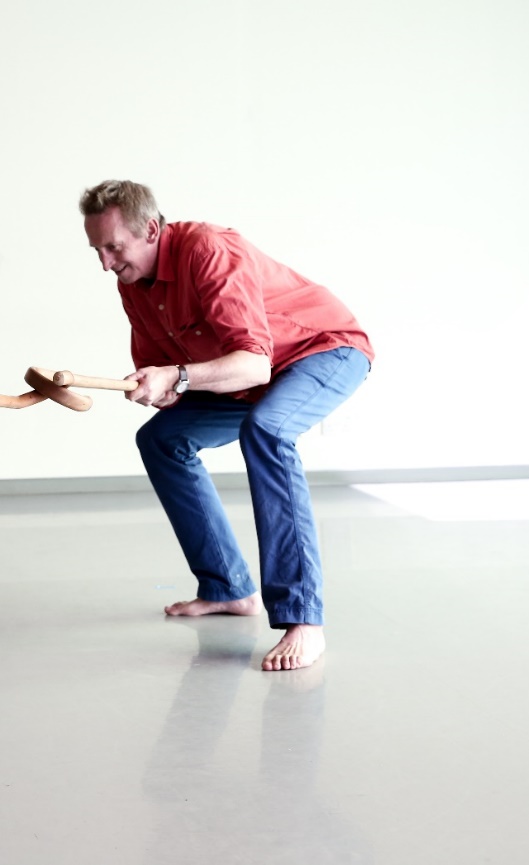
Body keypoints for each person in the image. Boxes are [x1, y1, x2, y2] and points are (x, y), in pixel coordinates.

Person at [79, 180, 373, 672]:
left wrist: (177, 377)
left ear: (149, 230)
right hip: (252, 380)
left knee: (267, 431)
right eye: (97, 251)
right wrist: (159, 387)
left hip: (323, 351)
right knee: (161, 439)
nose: (105, 264)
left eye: (114, 247)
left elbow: (253, 364)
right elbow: (171, 378)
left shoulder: (208, 250)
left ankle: (304, 619)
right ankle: (228, 587)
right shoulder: (132, 284)